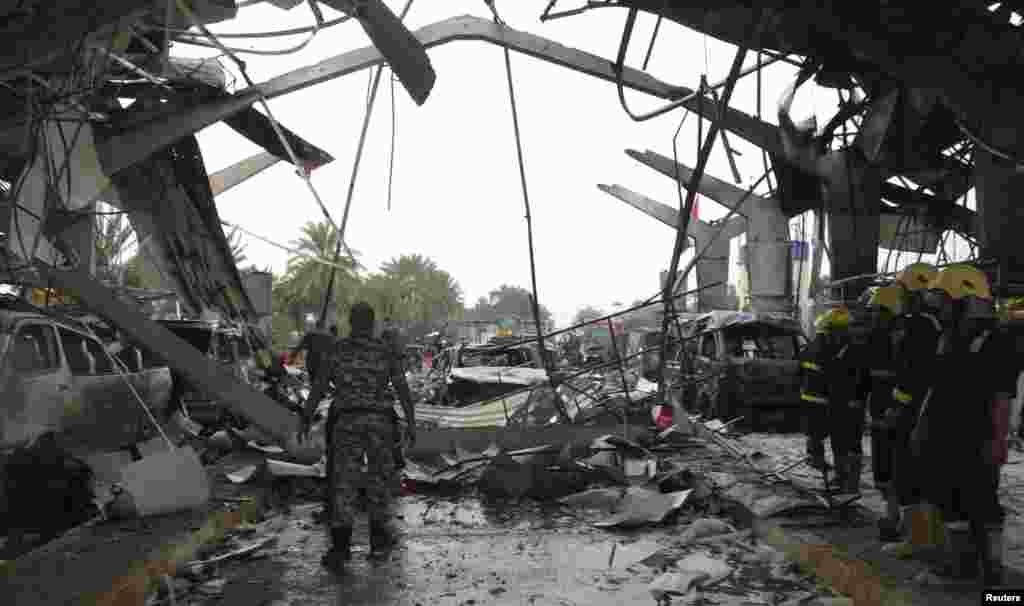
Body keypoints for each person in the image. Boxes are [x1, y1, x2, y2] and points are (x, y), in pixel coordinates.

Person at [910, 264, 1015, 585]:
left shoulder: (995, 339)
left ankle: (992, 573)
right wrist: (921, 425)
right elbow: (937, 387)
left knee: (982, 501)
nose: (938, 310)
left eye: (943, 302)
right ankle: (960, 568)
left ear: (964, 300)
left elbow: (1003, 395)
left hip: (977, 435)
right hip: (946, 433)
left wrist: (998, 440)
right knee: (950, 500)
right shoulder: (950, 337)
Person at [300, 302, 416, 568]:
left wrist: (306, 418)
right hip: (379, 423)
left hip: (347, 422)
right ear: (372, 323)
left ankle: (341, 549)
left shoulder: (337, 350)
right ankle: (378, 543)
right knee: (379, 480)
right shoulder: (385, 351)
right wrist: (411, 422)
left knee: (344, 482)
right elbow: (401, 388)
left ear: (351, 322)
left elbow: (318, 386)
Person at [859, 285, 907, 539]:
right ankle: (892, 515)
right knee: (883, 469)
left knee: (899, 470)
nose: (874, 317)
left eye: (879, 312)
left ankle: (900, 521)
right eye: (873, 312)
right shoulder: (875, 338)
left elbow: (910, 379)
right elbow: (866, 376)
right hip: (880, 412)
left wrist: (896, 408)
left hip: (899, 415)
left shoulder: (906, 339)